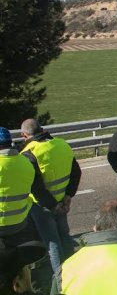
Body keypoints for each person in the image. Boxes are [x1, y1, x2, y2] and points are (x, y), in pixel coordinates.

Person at [20, 118, 81, 284]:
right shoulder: (62, 144)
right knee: (65, 237)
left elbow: (36, 186)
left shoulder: (29, 152)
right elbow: (76, 172)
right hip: (63, 201)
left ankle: (62, 282)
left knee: (52, 243)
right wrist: (68, 196)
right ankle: (75, 273)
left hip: (43, 206)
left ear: (24, 135)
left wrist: (53, 205)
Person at [0, 126, 57, 294]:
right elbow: (37, 189)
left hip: (2, 226)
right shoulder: (25, 162)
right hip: (20, 223)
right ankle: (27, 290)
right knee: (19, 264)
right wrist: (54, 205)